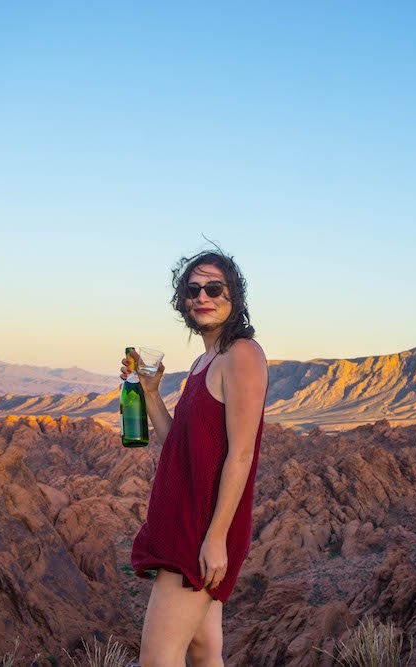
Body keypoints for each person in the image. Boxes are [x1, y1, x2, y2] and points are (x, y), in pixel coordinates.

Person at [121, 246, 268, 667]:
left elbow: (240, 455)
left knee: (157, 658)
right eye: (193, 289)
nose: (202, 296)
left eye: (214, 288)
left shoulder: (242, 354)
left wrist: (217, 538)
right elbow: (177, 444)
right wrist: (150, 393)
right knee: (204, 651)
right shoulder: (205, 361)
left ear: (233, 296)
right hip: (187, 521)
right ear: (182, 301)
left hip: (202, 530)